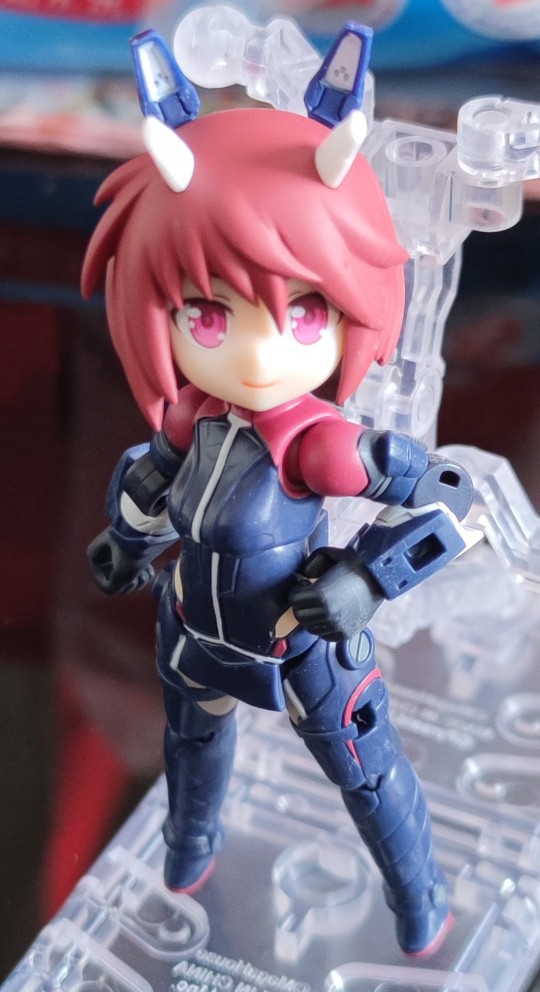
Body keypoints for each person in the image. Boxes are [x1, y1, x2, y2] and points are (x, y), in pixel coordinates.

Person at [82, 105, 452, 957]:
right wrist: (125, 542)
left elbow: (444, 500)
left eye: (304, 314)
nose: (256, 356)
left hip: (301, 646)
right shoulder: (191, 417)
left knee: (368, 780)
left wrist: (366, 577)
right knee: (191, 745)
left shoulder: (321, 447)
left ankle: (420, 896)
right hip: (194, 627)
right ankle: (189, 847)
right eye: (209, 317)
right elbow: (151, 481)